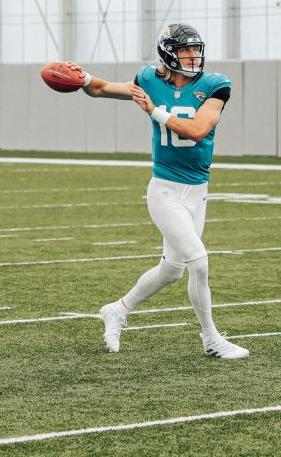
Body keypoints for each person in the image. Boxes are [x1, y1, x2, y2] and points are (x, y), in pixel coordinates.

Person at [65, 23, 249, 359]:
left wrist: (155, 111)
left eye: (196, 49)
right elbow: (104, 89)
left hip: (197, 190)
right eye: (185, 50)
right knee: (200, 261)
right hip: (165, 189)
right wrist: (84, 80)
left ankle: (117, 309)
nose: (194, 56)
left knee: (171, 271)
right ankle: (210, 338)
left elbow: (197, 130)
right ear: (169, 53)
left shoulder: (215, 85)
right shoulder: (149, 79)